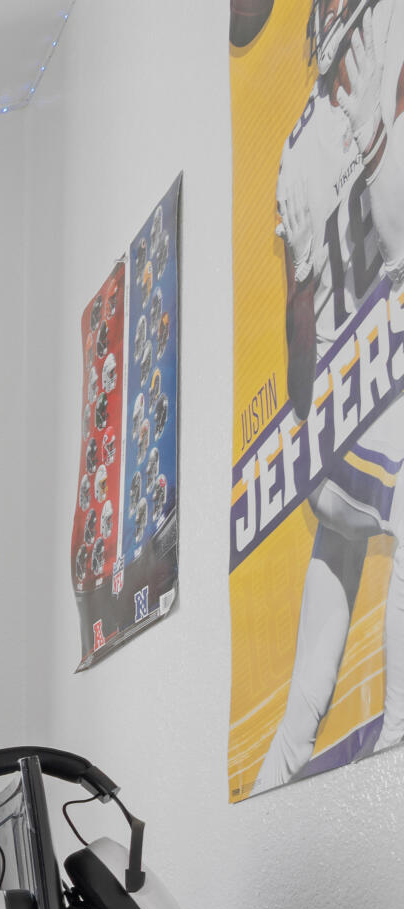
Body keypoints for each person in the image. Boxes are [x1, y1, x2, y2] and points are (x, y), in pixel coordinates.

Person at [259, 0, 404, 789]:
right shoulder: (387, 39)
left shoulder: (296, 150)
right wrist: (379, 141)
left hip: (338, 420)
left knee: (338, 538)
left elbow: (298, 322)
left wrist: (315, 424)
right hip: (380, 392)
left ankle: (283, 759)